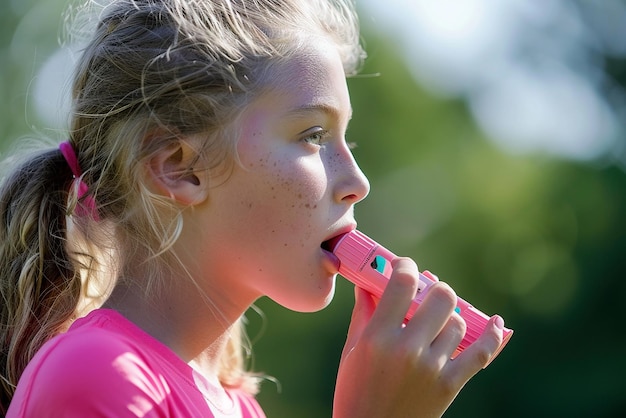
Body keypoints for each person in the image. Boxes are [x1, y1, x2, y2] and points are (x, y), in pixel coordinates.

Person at [0, 0, 506, 416]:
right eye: (313, 135)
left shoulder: (239, 406)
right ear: (180, 168)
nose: (357, 182)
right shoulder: (97, 376)